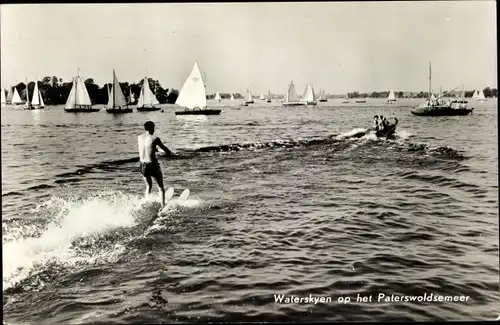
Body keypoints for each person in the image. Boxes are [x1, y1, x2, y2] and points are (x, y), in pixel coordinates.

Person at [138, 121, 174, 208]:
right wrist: (170, 153)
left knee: (148, 185)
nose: (154, 129)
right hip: (152, 165)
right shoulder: (155, 138)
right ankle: (163, 206)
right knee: (160, 187)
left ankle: (147, 202)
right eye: (153, 128)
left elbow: (149, 148)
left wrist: (158, 151)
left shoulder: (139, 137)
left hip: (142, 166)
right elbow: (164, 148)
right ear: (151, 128)